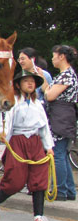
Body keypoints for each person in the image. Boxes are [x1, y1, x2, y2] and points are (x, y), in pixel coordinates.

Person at [0, 70, 54, 221]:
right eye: (26, 81)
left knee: (39, 179)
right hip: (18, 141)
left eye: (32, 81)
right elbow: (7, 120)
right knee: (16, 179)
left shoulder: (38, 104)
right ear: (18, 84)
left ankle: (39, 215)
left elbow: (44, 127)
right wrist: (5, 136)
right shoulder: (14, 101)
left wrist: (49, 147)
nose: (30, 84)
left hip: (35, 142)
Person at [38, 45, 77, 201]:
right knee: (63, 154)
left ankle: (60, 189)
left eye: (54, 56)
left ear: (62, 56)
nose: (52, 59)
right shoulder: (64, 75)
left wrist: (46, 87)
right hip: (63, 116)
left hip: (61, 116)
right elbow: (48, 91)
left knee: (58, 154)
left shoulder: (66, 75)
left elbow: (50, 95)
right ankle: (69, 190)